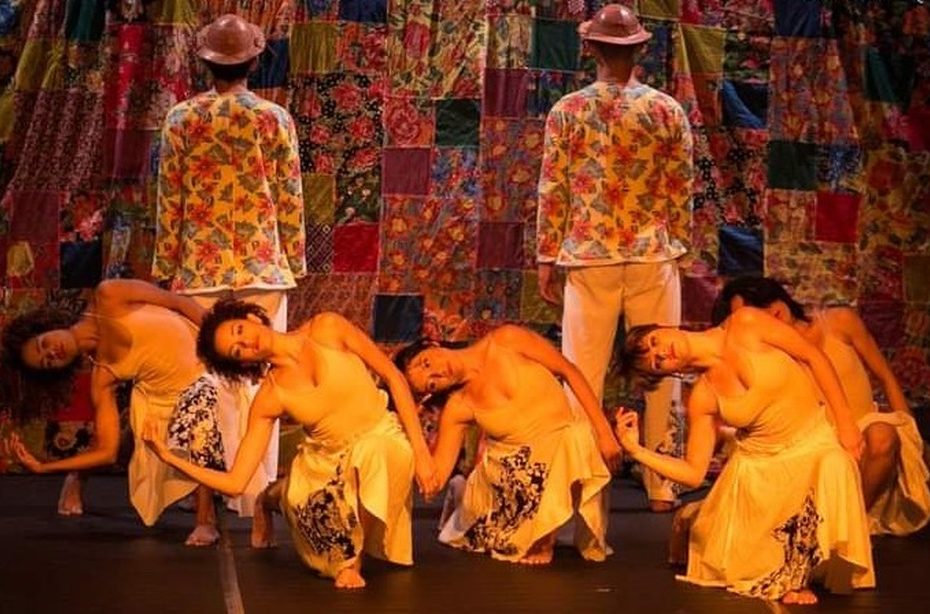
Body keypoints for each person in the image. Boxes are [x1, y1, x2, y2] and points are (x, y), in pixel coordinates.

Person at [142, 299, 439, 589]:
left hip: (382, 436)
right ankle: (272, 498)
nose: (247, 345)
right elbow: (235, 482)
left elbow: (393, 376)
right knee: (323, 551)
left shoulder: (328, 327)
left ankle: (352, 563)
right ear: (243, 364)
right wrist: (169, 456)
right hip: (326, 465)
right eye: (237, 351)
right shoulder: (270, 396)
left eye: (239, 332)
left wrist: (423, 453)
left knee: (376, 453)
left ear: (252, 318)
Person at [536, 3, 693, 512]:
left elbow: (553, 188)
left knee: (582, 371)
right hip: (651, 254)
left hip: (590, 256)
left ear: (591, 49)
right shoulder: (667, 109)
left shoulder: (569, 110)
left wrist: (546, 255)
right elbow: (680, 189)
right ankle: (662, 485)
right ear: (641, 49)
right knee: (659, 370)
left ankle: (580, 480)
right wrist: (680, 247)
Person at [152, 13, 307, 515]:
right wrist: (295, 261)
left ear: (204, 62)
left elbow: (170, 198)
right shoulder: (273, 118)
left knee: (207, 380)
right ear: (254, 60)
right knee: (261, 378)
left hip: (200, 268)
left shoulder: (181, 118)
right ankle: (253, 492)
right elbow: (289, 195)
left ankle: (207, 489)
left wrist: (165, 265)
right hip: (262, 266)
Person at [614, 308, 874, 604]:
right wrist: (636, 451)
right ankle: (699, 517)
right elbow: (693, 472)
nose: (662, 352)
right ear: (666, 373)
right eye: (656, 362)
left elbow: (812, 356)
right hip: (761, 471)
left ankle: (705, 519)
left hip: (813, 442)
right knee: (757, 564)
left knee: (834, 465)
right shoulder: (703, 396)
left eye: (655, 341)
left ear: (663, 326)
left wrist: (845, 422)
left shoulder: (745, 323)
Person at [1, 279, 225, 545]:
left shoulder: (109, 295)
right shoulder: (102, 377)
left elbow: (179, 302)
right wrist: (43, 467)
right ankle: (205, 520)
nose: (52, 352)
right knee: (191, 422)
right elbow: (107, 452)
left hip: (211, 356)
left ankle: (79, 478)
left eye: (43, 344)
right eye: (47, 362)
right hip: (174, 398)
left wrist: (220, 339)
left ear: (48, 327)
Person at [713, 276, 930, 536]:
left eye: (761, 302)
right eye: (751, 315)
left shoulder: (838, 321)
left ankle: (851, 528)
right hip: (818, 447)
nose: (767, 312)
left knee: (882, 435)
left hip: (865, 438)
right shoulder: (768, 357)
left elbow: (884, 375)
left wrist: (911, 434)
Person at [395, 325, 621, 565]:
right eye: (431, 384)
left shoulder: (506, 340)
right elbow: (434, 478)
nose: (438, 373)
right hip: (511, 478)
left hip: (561, 454)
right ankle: (465, 494)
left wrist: (605, 433)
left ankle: (544, 536)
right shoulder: (458, 406)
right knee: (569, 444)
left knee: (576, 435)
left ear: (433, 345)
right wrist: (411, 431)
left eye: (427, 362)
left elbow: (569, 370)